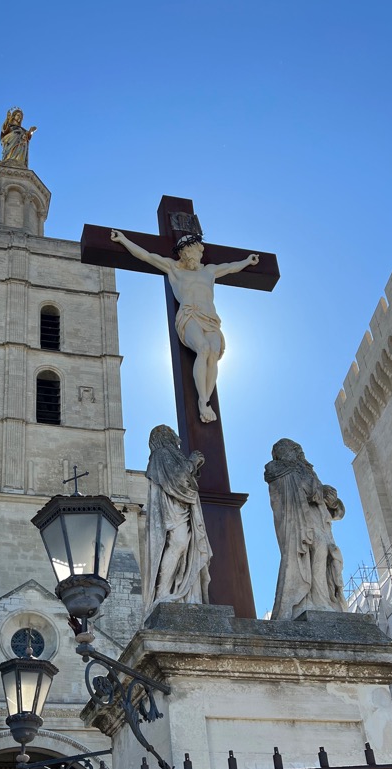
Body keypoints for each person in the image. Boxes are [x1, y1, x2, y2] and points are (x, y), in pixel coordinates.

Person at [110, 229, 259, 423]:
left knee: (214, 352)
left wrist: (248, 261)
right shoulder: (174, 269)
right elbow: (146, 256)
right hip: (189, 315)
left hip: (211, 319)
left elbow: (231, 267)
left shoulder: (210, 271)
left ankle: (206, 398)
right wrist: (124, 240)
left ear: (199, 252)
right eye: (186, 254)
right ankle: (203, 401)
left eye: (194, 253)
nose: (191, 258)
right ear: (181, 254)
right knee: (203, 349)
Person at [264, 438, 348, 620]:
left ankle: (324, 601)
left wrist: (332, 501)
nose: (299, 453)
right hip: (299, 525)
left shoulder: (308, 471)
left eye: (298, 449)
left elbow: (332, 510)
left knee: (327, 555)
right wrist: (320, 490)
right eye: (293, 449)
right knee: (315, 550)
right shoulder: (277, 470)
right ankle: (314, 601)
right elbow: (301, 489)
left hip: (319, 523)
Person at [143, 424, 212, 618]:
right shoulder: (162, 455)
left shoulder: (167, 455)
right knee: (178, 544)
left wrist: (192, 465)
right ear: (165, 436)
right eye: (174, 435)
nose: (178, 440)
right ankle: (163, 592)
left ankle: (182, 592)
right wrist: (192, 462)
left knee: (185, 548)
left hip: (181, 509)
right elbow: (178, 479)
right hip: (173, 510)